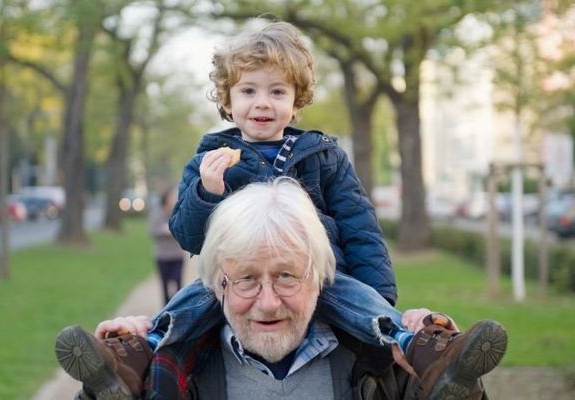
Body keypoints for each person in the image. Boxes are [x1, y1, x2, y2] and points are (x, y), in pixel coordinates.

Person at [54, 21, 507, 398]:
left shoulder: (322, 155)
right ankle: (139, 353)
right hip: (230, 278)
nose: (262, 103)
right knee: (192, 301)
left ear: (296, 100)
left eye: (277, 91)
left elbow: (359, 226)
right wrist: (208, 193)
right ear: (228, 102)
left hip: (320, 274)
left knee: (353, 298)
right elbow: (188, 236)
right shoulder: (211, 160)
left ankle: (421, 351)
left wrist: (378, 300)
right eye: (249, 91)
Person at [56, 178, 505, 399]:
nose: (267, 303)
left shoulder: (385, 364)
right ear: (217, 283)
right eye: (247, 279)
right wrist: (106, 385)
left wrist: (457, 380)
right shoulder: (172, 368)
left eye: (287, 276)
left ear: (320, 276)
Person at [149, 188, 185, 305]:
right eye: (171, 197)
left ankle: (178, 307)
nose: (174, 199)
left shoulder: (178, 212)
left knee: (178, 283)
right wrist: (163, 230)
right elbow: (152, 230)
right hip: (162, 255)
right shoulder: (157, 212)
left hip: (177, 254)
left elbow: (184, 228)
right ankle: (166, 309)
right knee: (164, 285)